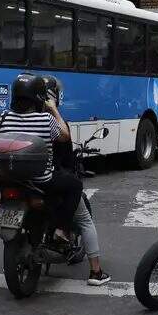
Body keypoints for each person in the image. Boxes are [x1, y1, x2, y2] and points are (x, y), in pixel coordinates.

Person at [0, 73, 82, 253]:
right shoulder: (45, 119)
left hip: (10, 178)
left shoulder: (4, 117)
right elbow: (65, 136)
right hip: (41, 180)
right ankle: (61, 229)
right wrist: (54, 110)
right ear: (39, 97)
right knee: (75, 185)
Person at [45, 76, 111, 286]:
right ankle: (96, 272)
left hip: (24, 181)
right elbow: (65, 154)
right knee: (84, 220)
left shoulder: (13, 117)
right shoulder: (50, 122)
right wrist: (54, 111)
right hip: (50, 179)